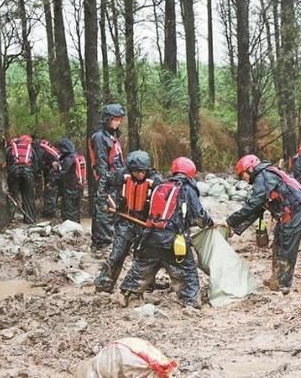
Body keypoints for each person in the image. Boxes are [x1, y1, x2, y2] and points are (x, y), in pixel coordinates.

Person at [120, 157, 213, 308]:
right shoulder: (187, 189)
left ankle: (128, 295)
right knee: (186, 270)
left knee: (142, 267)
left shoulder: (160, 186)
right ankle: (190, 303)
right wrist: (210, 223)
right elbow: (199, 216)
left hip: (149, 236)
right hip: (172, 240)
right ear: (191, 173)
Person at [225, 155, 301, 294]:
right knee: (278, 242)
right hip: (289, 213)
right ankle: (276, 278)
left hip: (296, 212)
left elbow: (254, 204)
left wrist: (230, 221)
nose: (244, 180)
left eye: (243, 175)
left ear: (250, 169)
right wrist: (235, 227)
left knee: (287, 247)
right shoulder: (265, 176)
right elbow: (257, 208)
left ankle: (284, 285)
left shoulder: (264, 176)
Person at [95, 150, 162, 294]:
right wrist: (101, 201)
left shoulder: (156, 181)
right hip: (125, 220)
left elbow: (164, 199)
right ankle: (104, 284)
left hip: (145, 224)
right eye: (137, 171)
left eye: (143, 171)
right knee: (117, 254)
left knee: (143, 256)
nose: (140, 174)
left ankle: (146, 285)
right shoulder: (120, 175)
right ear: (130, 170)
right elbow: (104, 180)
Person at [89, 104, 126, 255]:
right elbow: (101, 164)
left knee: (112, 212)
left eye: (120, 119)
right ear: (108, 119)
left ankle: (105, 242)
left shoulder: (112, 135)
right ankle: (101, 246)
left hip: (115, 180)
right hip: (106, 180)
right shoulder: (99, 137)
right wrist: (104, 186)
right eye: (116, 119)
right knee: (104, 211)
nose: (118, 122)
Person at [6, 134, 39, 223]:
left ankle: (9, 219)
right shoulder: (31, 149)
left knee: (12, 196)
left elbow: (7, 162)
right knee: (29, 197)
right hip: (28, 172)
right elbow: (36, 166)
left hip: (14, 171)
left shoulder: (11, 148)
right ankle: (30, 220)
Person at [57, 138, 86, 223]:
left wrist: (54, 180)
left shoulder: (69, 158)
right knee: (76, 206)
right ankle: (76, 222)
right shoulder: (77, 156)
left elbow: (63, 173)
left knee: (68, 206)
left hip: (70, 185)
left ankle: (69, 223)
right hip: (79, 185)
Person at [35, 138, 62, 217]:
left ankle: (49, 213)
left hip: (53, 174)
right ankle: (51, 210)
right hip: (59, 173)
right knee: (53, 192)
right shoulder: (52, 151)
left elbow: (40, 165)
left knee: (50, 191)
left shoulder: (43, 151)